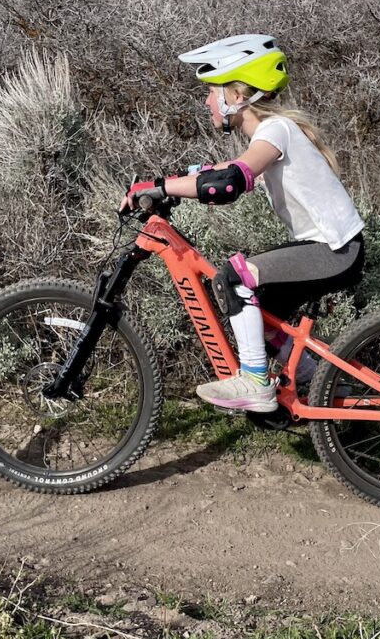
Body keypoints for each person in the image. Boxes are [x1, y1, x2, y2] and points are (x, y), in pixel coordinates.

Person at [120, 34, 365, 413]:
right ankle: (314, 381)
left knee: (235, 279)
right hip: (326, 248)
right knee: (264, 318)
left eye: (211, 90)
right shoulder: (271, 134)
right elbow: (221, 171)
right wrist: (157, 186)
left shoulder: (276, 131)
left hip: (335, 251)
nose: (206, 100)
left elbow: (228, 182)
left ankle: (255, 383)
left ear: (236, 95)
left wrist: (164, 187)